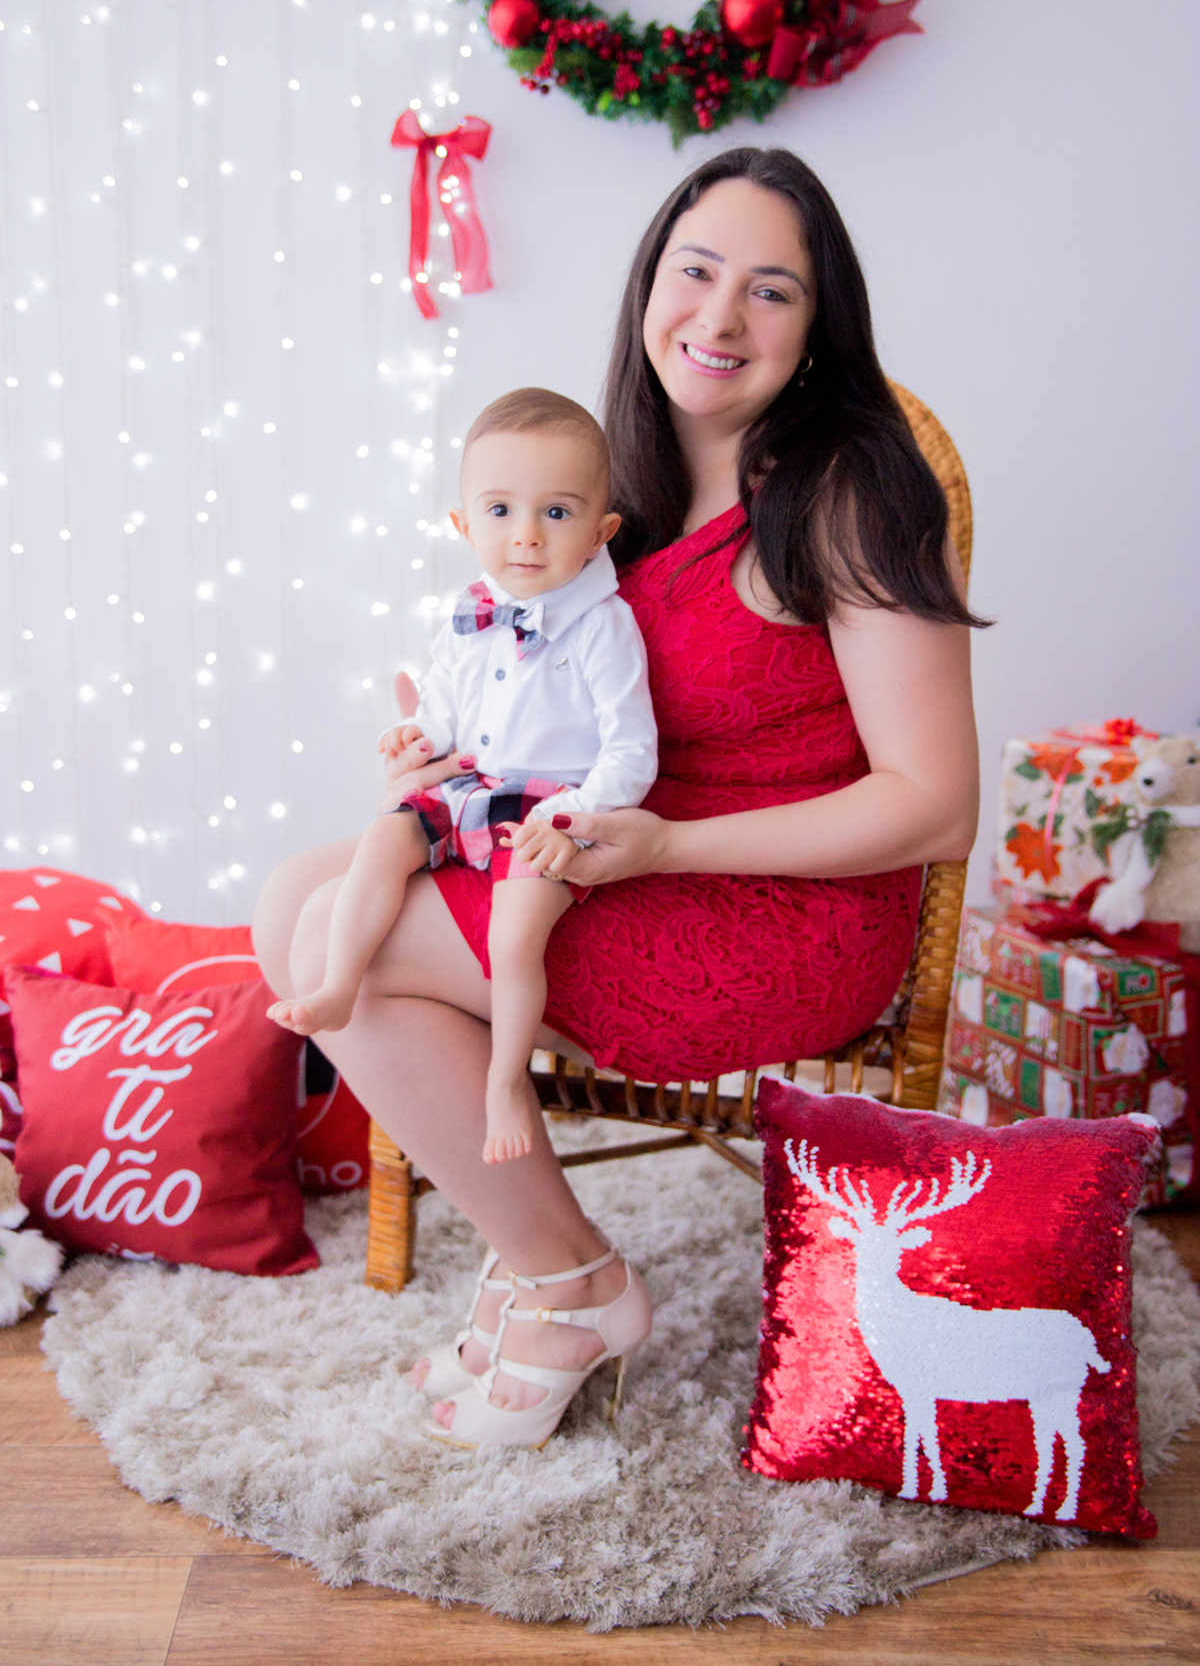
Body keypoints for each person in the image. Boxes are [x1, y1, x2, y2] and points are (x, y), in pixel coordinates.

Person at [253, 146, 982, 1451]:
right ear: (648, 283)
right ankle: (547, 1256)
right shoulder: (618, 488)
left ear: (820, 326)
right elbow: (564, 709)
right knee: (299, 898)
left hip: (775, 906)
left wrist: (668, 844)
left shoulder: (850, 494)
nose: (718, 318)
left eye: (771, 291)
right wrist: (443, 753)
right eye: (695, 272)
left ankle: (575, 1285)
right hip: (615, 848)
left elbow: (933, 804)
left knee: (336, 950)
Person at [265, 388, 657, 1169]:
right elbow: (447, 702)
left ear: (600, 532)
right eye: (501, 511)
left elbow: (631, 750)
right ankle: (341, 982)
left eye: (557, 513)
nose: (526, 537)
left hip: (549, 804)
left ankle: (506, 1080)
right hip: (469, 783)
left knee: (514, 939)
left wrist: (576, 815)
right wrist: (421, 733)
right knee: (382, 843)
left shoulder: (604, 625)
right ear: (464, 525)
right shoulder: (470, 608)